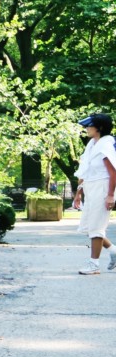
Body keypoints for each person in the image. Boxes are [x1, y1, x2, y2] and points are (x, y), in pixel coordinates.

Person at [71, 112, 116, 274]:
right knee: (91, 226)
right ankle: (113, 251)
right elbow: (86, 171)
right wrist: (79, 192)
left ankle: (94, 264)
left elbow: (113, 173)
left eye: (90, 125)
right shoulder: (92, 144)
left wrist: (110, 195)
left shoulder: (105, 145)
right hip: (91, 187)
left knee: (97, 227)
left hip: (103, 188)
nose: (87, 128)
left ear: (100, 128)